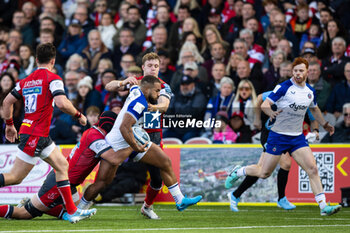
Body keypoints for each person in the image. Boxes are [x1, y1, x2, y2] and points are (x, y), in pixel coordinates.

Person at [225, 57, 341, 216]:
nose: (298, 73)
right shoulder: (284, 87)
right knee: (264, 173)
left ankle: (323, 207)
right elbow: (264, 103)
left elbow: (314, 109)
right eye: (295, 71)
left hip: (297, 138)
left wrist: (324, 124)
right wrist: (270, 112)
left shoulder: (309, 91)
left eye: (301, 70)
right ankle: (238, 171)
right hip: (277, 136)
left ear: (307, 72)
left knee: (312, 169)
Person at [0, 43, 96, 223]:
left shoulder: (25, 81)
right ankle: (72, 210)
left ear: (36, 60)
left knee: (62, 167)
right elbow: (61, 102)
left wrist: (9, 125)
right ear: (53, 61)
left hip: (37, 134)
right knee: (15, 177)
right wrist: (79, 115)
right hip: (36, 135)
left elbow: (6, 102)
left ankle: (71, 211)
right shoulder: (53, 78)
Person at [79, 76, 202, 215]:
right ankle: (79, 209)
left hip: (131, 139)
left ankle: (180, 200)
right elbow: (124, 127)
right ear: (148, 89)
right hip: (118, 144)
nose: (157, 94)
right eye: (156, 91)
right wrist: (136, 146)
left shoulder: (137, 89)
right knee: (101, 183)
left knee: (165, 161)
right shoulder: (140, 102)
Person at [0, 111, 117, 221]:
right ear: (110, 126)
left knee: (73, 213)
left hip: (69, 183)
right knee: (24, 213)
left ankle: (33, 203)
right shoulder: (95, 137)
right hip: (60, 182)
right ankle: (31, 205)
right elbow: (113, 158)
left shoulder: (93, 132)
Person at [105, 52, 174, 219]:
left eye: (156, 66)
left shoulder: (164, 86)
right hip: (130, 134)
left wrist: (151, 107)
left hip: (152, 135)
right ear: (143, 68)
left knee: (157, 179)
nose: (153, 69)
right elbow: (108, 86)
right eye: (150, 66)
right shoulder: (136, 83)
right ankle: (88, 196)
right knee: (109, 170)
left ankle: (147, 207)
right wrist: (122, 82)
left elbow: (164, 106)